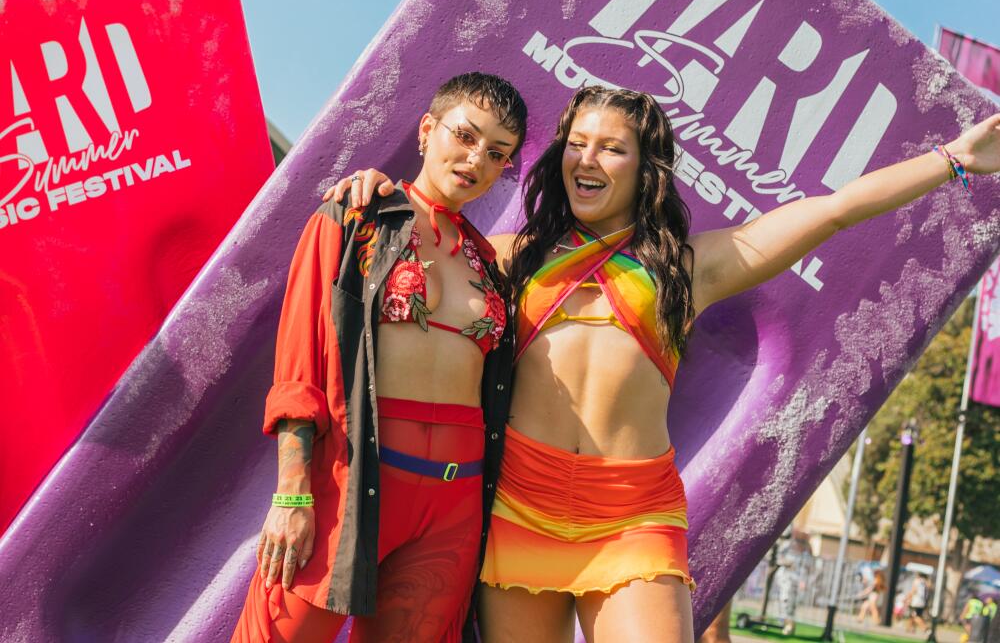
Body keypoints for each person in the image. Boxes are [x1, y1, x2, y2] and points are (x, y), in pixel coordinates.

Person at [331, 88, 1000, 643]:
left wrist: (956, 160)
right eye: (579, 143)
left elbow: (833, 212)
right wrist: (379, 191)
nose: (588, 159)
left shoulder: (689, 266)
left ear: (645, 168)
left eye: (612, 147)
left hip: (631, 518)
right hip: (519, 505)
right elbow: (429, 223)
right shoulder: (511, 256)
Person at [231, 72, 527, 643]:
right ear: (426, 130)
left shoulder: (490, 261)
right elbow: (299, 370)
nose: (475, 160)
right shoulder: (355, 216)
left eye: (497, 154)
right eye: (464, 137)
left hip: (453, 506)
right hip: (350, 488)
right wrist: (292, 494)